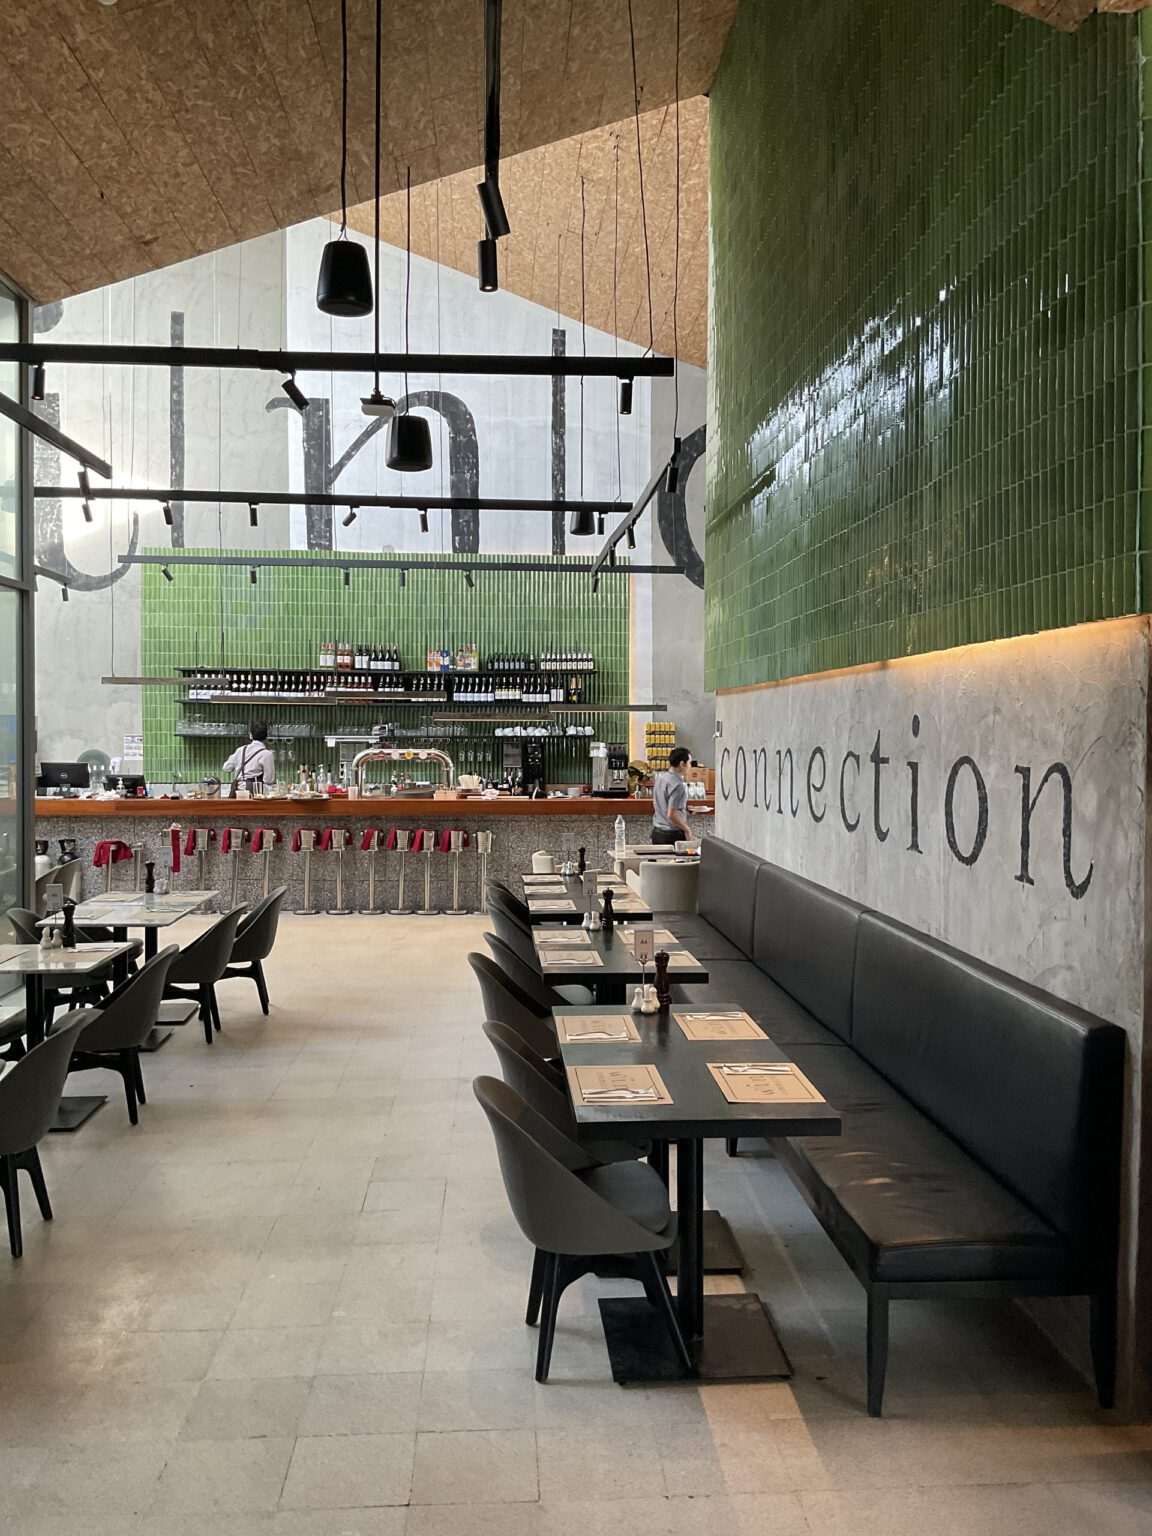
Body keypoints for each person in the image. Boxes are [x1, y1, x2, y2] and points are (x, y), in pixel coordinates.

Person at [651, 746, 693, 845]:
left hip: (657, 832)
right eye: (689, 763)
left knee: (660, 860)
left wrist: (684, 809)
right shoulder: (678, 785)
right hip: (672, 835)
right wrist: (687, 829)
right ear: (682, 764)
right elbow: (672, 814)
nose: (690, 766)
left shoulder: (661, 778)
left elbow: (663, 804)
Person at [223, 723, 275, 791]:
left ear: (251, 735)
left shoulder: (240, 750)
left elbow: (226, 768)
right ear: (266, 737)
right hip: (254, 791)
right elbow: (269, 780)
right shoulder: (267, 754)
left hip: (237, 790)